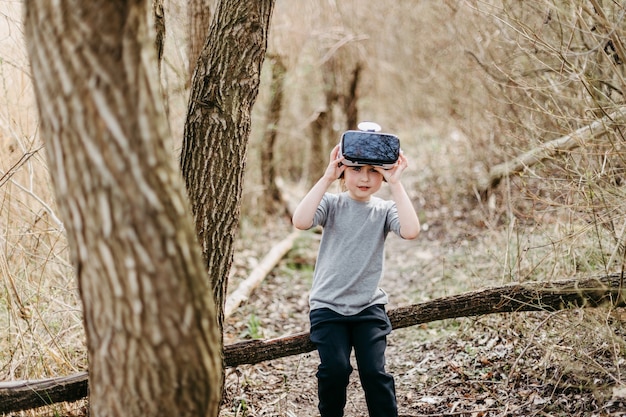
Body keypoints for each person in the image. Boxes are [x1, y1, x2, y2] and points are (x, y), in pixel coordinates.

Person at [292, 143, 420, 417]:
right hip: (328, 307)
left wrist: (396, 184)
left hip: (368, 308)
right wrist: (327, 177)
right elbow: (301, 221)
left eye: (374, 171)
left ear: (383, 175)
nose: (364, 178)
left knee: (374, 373)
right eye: (356, 169)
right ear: (343, 172)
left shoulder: (384, 210)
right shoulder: (331, 203)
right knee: (335, 369)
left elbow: (410, 231)